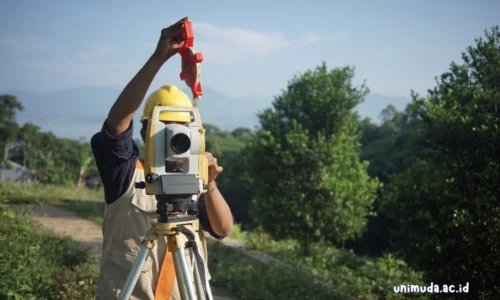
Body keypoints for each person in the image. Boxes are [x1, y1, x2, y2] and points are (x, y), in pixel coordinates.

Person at [90, 17, 234, 300]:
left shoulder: (194, 177)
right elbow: (117, 125)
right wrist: (158, 59)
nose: (173, 138)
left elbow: (224, 229)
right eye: (163, 129)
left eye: (180, 131)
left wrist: (210, 183)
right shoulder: (125, 172)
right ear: (145, 131)